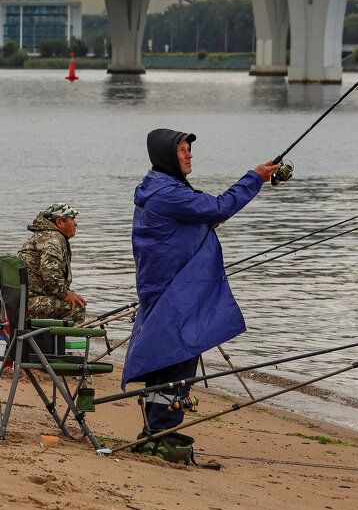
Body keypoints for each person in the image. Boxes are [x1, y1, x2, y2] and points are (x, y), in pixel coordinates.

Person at [122, 129, 280, 458]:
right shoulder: (168, 194)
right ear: (167, 156)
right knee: (176, 360)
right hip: (176, 291)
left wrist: (204, 222)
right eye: (182, 150)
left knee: (165, 358)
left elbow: (189, 222)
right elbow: (220, 206)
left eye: (188, 149)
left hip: (166, 287)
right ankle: (162, 436)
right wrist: (255, 178)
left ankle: (155, 431)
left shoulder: (158, 188)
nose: (189, 154)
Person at [18, 202, 87, 323]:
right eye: (72, 219)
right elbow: (50, 273)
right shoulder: (52, 239)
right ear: (59, 222)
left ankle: (47, 333)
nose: (75, 224)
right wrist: (65, 294)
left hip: (22, 299)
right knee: (76, 307)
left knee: (72, 299)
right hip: (28, 302)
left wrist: (67, 293)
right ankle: (60, 336)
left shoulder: (44, 235)